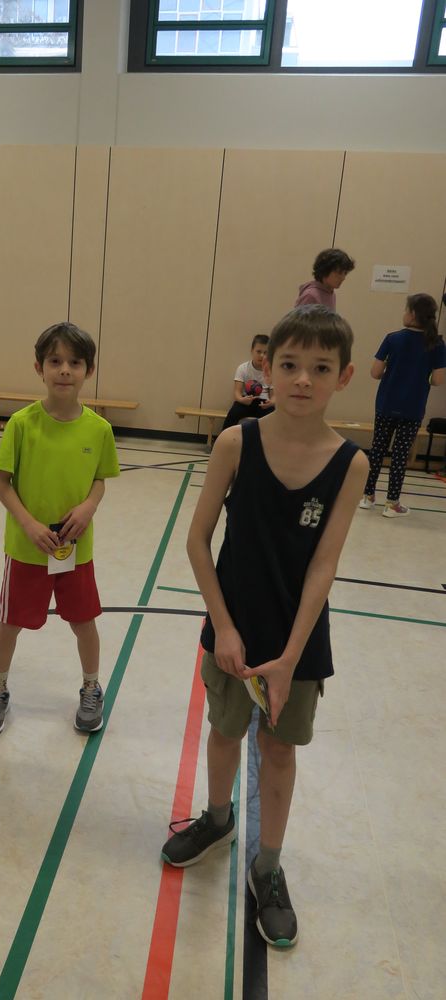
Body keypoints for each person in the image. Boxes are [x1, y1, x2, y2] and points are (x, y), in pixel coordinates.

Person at [161, 304, 369, 948]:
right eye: (290, 364)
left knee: (279, 750)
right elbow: (197, 541)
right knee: (225, 731)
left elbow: (324, 565)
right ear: (267, 369)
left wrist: (290, 657)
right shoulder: (236, 442)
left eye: (321, 368)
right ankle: (218, 818)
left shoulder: (351, 463)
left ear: (344, 376)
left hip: (297, 640)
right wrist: (223, 628)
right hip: (233, 626)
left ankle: (269, 867)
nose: (303, 379)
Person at [0, 322, 120, 737]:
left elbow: (100, 479)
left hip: (75, 549)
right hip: (27, 548)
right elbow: (1, 483)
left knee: (84, 621)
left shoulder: (99, 429)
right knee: (11, 622)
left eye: (75, 362)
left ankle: (91, 687)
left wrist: (89, 506)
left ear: (89, 370)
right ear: (39, 367)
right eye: (55, 361)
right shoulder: (21, 424)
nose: (65, 370)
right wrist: (29, 523)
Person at [359, 293, 446, 516]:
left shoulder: (392, 338)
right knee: (400, 455)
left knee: (377, 450)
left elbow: (375, 372)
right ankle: (392, 504)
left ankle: (367, 497)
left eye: (406, 309)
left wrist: (392, 372)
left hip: (386, 404)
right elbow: (438, 380)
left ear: (413, 314)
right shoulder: (436, 344)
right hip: (413, 408)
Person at [221, 334, 274, 431]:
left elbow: (274, 396)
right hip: (246, 401)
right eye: (258, 351)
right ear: (252, 351)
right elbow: (237, 392)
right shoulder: (243, 368)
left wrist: (271, 403)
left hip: (263, 403)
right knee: (234, 413)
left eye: (265, 352)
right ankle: (221, 438)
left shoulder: (271, 371)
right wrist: (242, 400)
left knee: (274, 416)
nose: (262, 355)